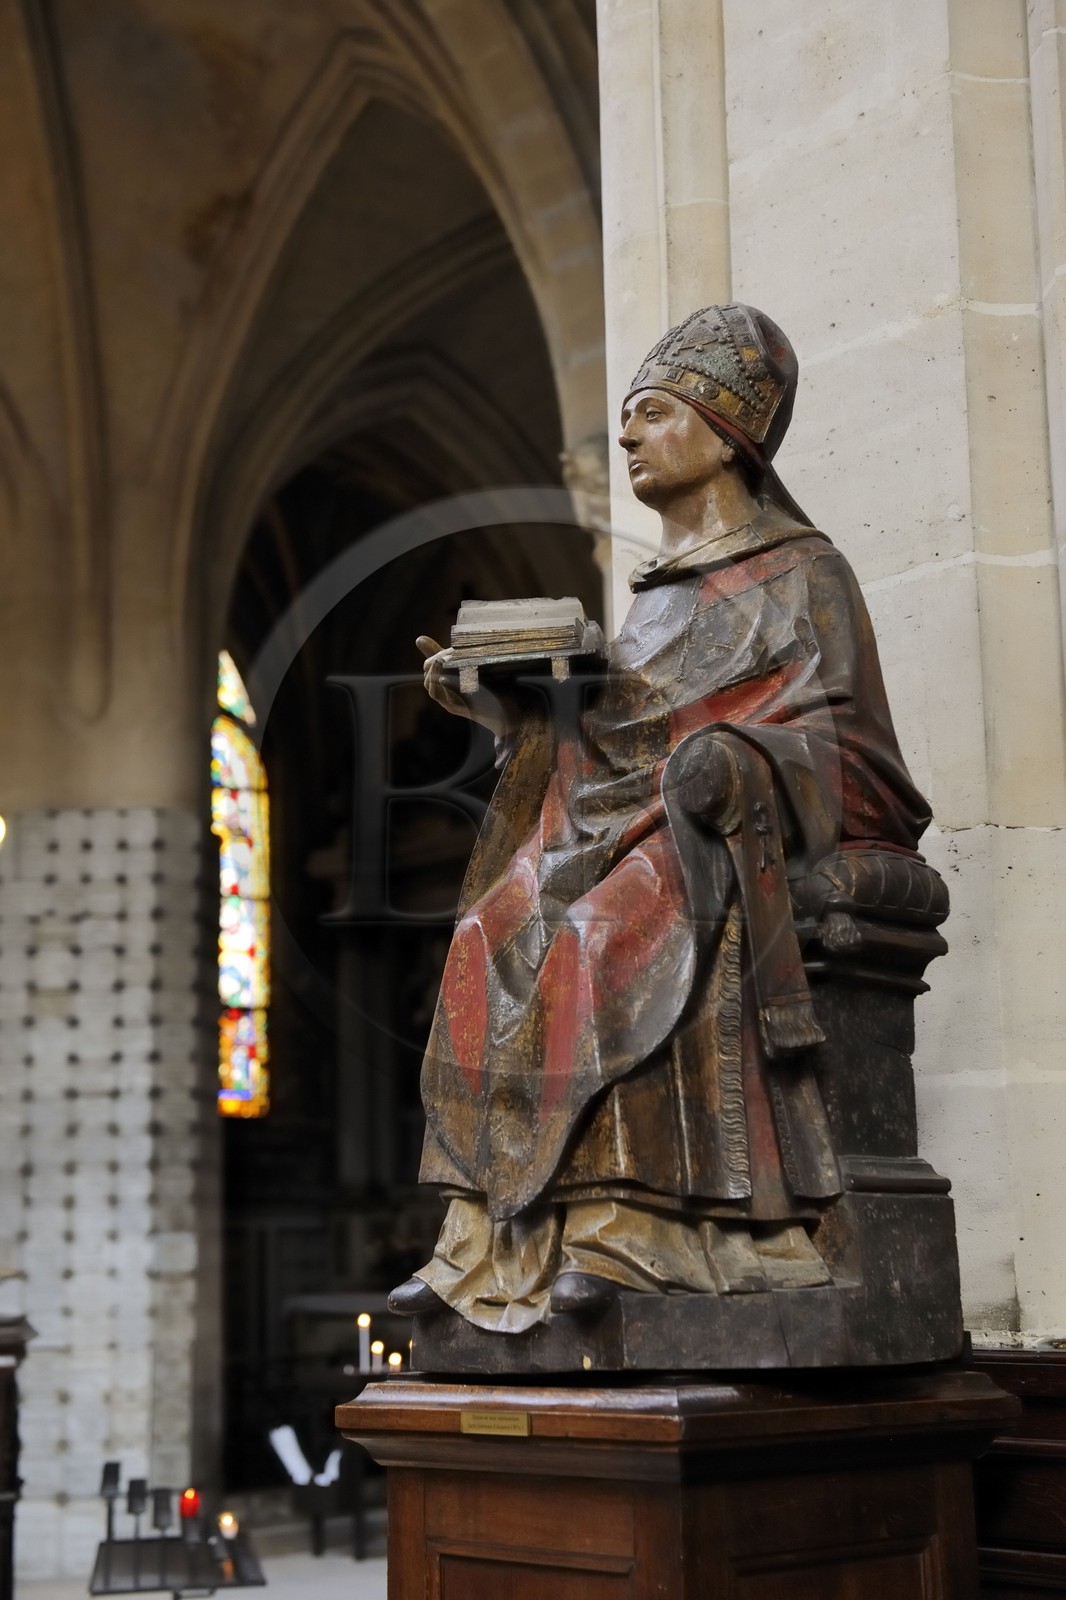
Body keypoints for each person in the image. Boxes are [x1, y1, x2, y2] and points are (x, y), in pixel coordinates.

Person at [389, 303, 931, 1332]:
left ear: (724, 433)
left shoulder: (806, 573)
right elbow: (609, 750)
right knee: (484, 935)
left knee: (599, 936)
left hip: (717, 834)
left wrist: (741, 761)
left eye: (649, 414)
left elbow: (862, 762)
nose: (627, 435)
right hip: (613, 828)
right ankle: (480, 1239)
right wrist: (506, 709)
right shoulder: (654, 600)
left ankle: (624, 1229)